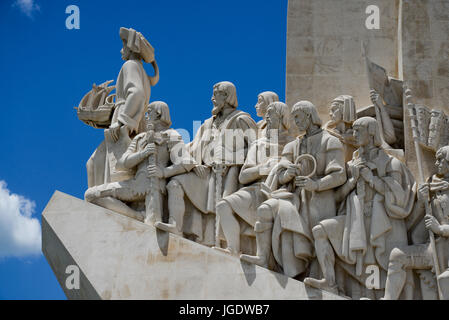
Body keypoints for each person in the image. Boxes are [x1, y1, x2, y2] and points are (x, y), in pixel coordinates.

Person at [303, 117, 415, 298]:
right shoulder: (352, 164)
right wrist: (351, 181)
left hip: (383, 221)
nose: (353, 134)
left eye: (358, 130)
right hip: (354, 219)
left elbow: (399, 197)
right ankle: (330, 283)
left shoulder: (391, 163)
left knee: (390, 264)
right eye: (353, 130)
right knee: (320, 231)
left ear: (371, 133)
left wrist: (372, 179)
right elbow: (337, 198)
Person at [240, 101, 346, 278]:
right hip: (293, 197)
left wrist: (316, 185)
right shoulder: (292, 146)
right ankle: (263, 257)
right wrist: (288, 174)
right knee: (266, 209)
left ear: (309, 116)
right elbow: (281, 175)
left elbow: (339, 175)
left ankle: (326, 279)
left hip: (320, 199)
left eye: (298, 116)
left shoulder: (330, 141)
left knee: (316, 238)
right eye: (293, 117)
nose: (295, 121)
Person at [155, 81, 258, 246]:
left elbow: (257, 147)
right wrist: (192, 163)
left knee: (220, 208)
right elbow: (193, 147)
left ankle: (223, 243)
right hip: (204, 173)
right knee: (175, 183)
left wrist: (232, 157)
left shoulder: (241, 119)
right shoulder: (208, 123)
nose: (212, 98)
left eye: (215, 94)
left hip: (228, 175)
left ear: (226, 96)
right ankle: (175, 226)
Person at [84, 101, 195, 222]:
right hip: (136, 184)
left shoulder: (171, 135)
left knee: (152, 223)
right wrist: (144, 153)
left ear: (158, 114)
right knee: (90, 195)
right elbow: (122, 163)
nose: (146, 116)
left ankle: (142, 216)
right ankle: (137, 216)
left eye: (149, 112)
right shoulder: (140, 138)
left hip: (156, 186)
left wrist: (163, 172)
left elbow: (186, 162)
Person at [215, 102, 293, 255]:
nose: (268, 118)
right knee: (223, 206)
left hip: (281, 192)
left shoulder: (292, 143)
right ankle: (233, 248)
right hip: (255, 189)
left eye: (272, 115)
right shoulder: (259, 144)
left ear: (282, 117)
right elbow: (243, 176)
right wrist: (265, 168)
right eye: (267, 115)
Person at [87, 27, 159, 188]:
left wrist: (120, 121)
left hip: (125, 122)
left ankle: (103, 204)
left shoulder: (130, 65)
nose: (121, 50)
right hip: (133, 120)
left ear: (131, 47)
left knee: (96, 164)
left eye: (123, 45)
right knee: (99, 164)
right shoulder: (141, 71)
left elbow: (137, 93)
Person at [382, 146, 449, 300]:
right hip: (434, 249)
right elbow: (413, 224)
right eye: (436, 159)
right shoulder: (432, 184)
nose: (436, 163)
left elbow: (437, 228)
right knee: (397, 255)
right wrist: (421, 201)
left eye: (441, 160)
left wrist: (441, 229)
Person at [323, 95, 357, 162]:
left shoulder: (358, 136)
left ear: (343, 110)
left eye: (333, 110)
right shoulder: (326, 134)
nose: (330, 114)